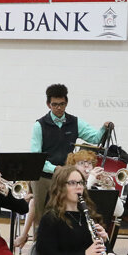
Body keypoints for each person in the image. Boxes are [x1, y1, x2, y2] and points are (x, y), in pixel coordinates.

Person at [29, 83, 110, 224]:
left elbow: (95, 138)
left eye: (62, 104)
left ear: (66, 103)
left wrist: (104, 128)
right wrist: (54, 169)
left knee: (65, 211)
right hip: (43, 177)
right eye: (55, 104)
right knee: (41, 215)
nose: (58, 108)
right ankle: (39, 243)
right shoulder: (39, 125)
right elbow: (36, 157)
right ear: (48, 104)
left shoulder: (75, 122)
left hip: (65, 177)